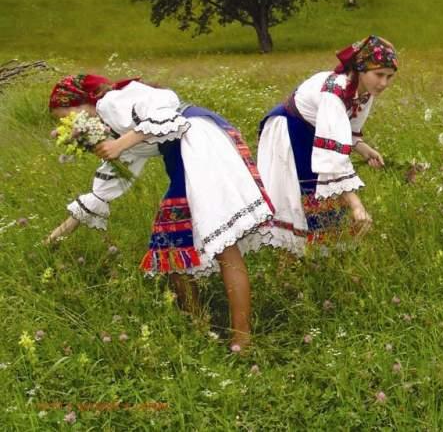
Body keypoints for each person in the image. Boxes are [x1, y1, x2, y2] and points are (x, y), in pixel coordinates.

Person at [45, 74, 274, 351]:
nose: (68, 125)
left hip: (199, 147)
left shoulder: (111, 102)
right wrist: (54, 238)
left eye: (67, 117)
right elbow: (104, 189)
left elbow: (167, 113)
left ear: (83, 103)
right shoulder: (117, 126)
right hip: (187, 152)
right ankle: (202, 327)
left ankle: (240, 337)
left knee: (219, 243)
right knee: (172, 246)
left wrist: (118, 144)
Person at [257, 36, 398, 254]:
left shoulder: (365, 93)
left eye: (389, 77)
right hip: (290, 130)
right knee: (299, 196)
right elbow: (332, 159)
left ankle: (321, 255)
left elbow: (347, 131)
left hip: (315, 132)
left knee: (320, 197)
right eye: (379, 75)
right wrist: (356, 204)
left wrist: (363, 148)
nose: (384, 83)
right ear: (360, 68)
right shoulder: (336, 90)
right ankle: (295, 257)